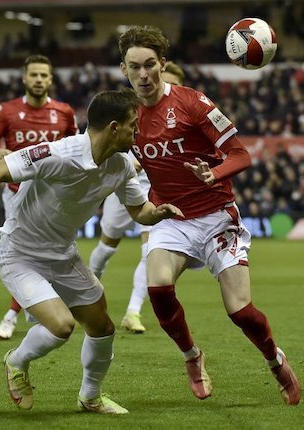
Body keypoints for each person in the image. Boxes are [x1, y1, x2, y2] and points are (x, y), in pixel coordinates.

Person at [0, 89, 183, 413]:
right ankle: (16, 361)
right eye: (133, 125)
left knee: (102, 328)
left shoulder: (120, 166)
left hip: (63, 255)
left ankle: (90, 397)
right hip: (19, 254)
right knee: (62, 326)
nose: (138, 132)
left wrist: (160, 211)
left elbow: (140, 211)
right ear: (113, 127)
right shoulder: (57, 153)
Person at [118, 25, 301, 405]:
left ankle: (274, 360)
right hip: (171, 217)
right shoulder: (125, 116)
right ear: (124, 70)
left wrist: (212, 173)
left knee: (241, 312)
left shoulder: (194, 103)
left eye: (150, 65)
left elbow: (241, 154)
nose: (143, 75)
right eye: (134, 67)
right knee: (159, 289)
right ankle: (192, 357)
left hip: (217, 216)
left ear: (163, 64)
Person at [0, 54, 78, 340]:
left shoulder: (64, 112)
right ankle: (15, 314)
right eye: (33, 75)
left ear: (50, 79)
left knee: (40, 252)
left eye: (43, 75)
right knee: (22, 252)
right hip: (16, 193)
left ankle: (25, 311)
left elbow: (74, 145)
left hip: (52, 194)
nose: (38, 80)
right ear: (24, 78)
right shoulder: (8, 111)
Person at [88, 60, 186, 334]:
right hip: (123, 183)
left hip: (154, 191)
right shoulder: (134, 110)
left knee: (149, 251)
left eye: (177, 85)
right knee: (107, 246)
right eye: (169, 83)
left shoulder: (183, 117)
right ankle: (83, 294)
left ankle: (133, 312)